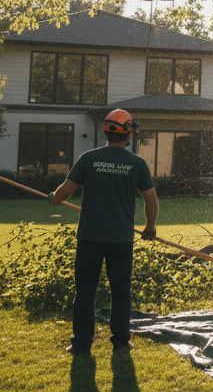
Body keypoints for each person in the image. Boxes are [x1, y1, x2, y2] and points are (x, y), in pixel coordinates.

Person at [51, 109, 159, 354]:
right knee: (121, 291)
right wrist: (150, 228)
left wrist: (54, 199)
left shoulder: (89, 158)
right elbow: (152, 202)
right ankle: (121, 343)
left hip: (90, 238)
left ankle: (81, 345)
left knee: (85, 291)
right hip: (121, 240)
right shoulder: (137, 163)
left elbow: (64, 193)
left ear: (105, 131)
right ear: (128, 134)